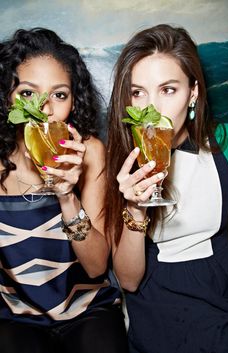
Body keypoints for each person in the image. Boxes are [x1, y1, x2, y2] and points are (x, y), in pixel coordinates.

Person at [105, 24, 228, 353]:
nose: (152, 110)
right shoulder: (121, 161)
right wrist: (134, 207)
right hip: (156, 296)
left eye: (168, 90)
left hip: (220, 287)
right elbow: (130, 280)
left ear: (192, 93)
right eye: (138, 93)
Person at [0, 28, 128, 353]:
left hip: (86, 309)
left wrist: (67, 197)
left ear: (73, 100)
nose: (44, 109)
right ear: (7, 97)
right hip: (15, 315)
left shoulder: (90, 152)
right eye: (29, 93)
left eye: (59, 95)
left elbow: (98, 267)